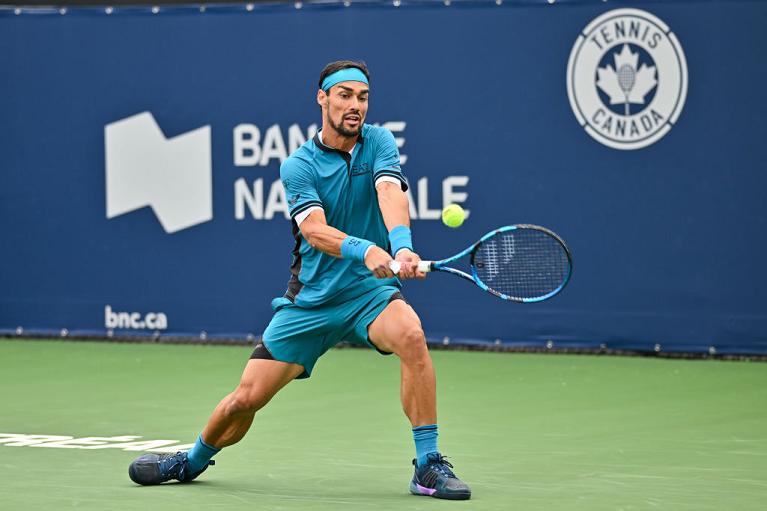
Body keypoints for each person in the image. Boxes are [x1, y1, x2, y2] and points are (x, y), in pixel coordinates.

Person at [127, 60, 471, 500]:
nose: (355, 106)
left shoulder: (380, 142)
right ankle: (191, 460)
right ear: (322, 98)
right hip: (311, 301)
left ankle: (427, 464)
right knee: (245, 400)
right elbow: (313, 230)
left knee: (411, 335)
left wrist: (401, 247)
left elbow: (390, 193)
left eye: (362, 97)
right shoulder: (298, 166)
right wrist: (366, 249)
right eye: (344, 95)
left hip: (369, 293)